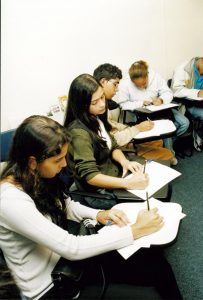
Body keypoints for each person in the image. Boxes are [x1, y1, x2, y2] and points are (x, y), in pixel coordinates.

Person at [0, 115, 182, 300]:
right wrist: (136, 230)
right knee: (148, 296)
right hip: (51, 287)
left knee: (156, 265)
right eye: (58, 160)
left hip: (68, 263)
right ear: (32, 162)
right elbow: (71, 247)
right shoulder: (10, 200)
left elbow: (66, 206)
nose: (64, 165)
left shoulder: (36, 176)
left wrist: (100, 214)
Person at [64, 74, 149, 198]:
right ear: (82, 105)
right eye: (94, 102)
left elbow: (113, 146)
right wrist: (128, 183)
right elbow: (91, 176)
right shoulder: (79, 133)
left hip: (114, 174)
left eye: (102, 97)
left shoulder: (96, 118)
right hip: (99, 191)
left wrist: (125, 162)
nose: (102, 104)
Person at [93, 63, 174, 162]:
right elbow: (111, 140)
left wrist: (129, 128)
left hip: (120, 139)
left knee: (158, 141)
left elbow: (111, 124)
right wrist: (137, 128)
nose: (117, 89)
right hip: (118, 147)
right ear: (103, 82)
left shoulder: (102, 102)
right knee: (167, 154)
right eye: (115, 84)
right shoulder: (97, 106)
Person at [115, 60, 190, 161]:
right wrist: (140, 103)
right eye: (138, 85)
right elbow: (123, 104)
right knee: (165, 128)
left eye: (144, 84)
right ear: (132, 81)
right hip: (142, 112)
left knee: (185, 123)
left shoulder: (155, 76)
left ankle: (166, 142)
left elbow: (168, 92)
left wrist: (161, 99)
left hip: (161, 108)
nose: (142, 87)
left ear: (147, 76)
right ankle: (170, 153)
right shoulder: (125, 84)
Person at [171, 56, 203, 151]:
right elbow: (176, 91)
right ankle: (199, 135)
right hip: (186, 104)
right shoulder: (182, 69)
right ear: (201, 62)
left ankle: (199, 133)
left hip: (200, 102)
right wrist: (197, 93)